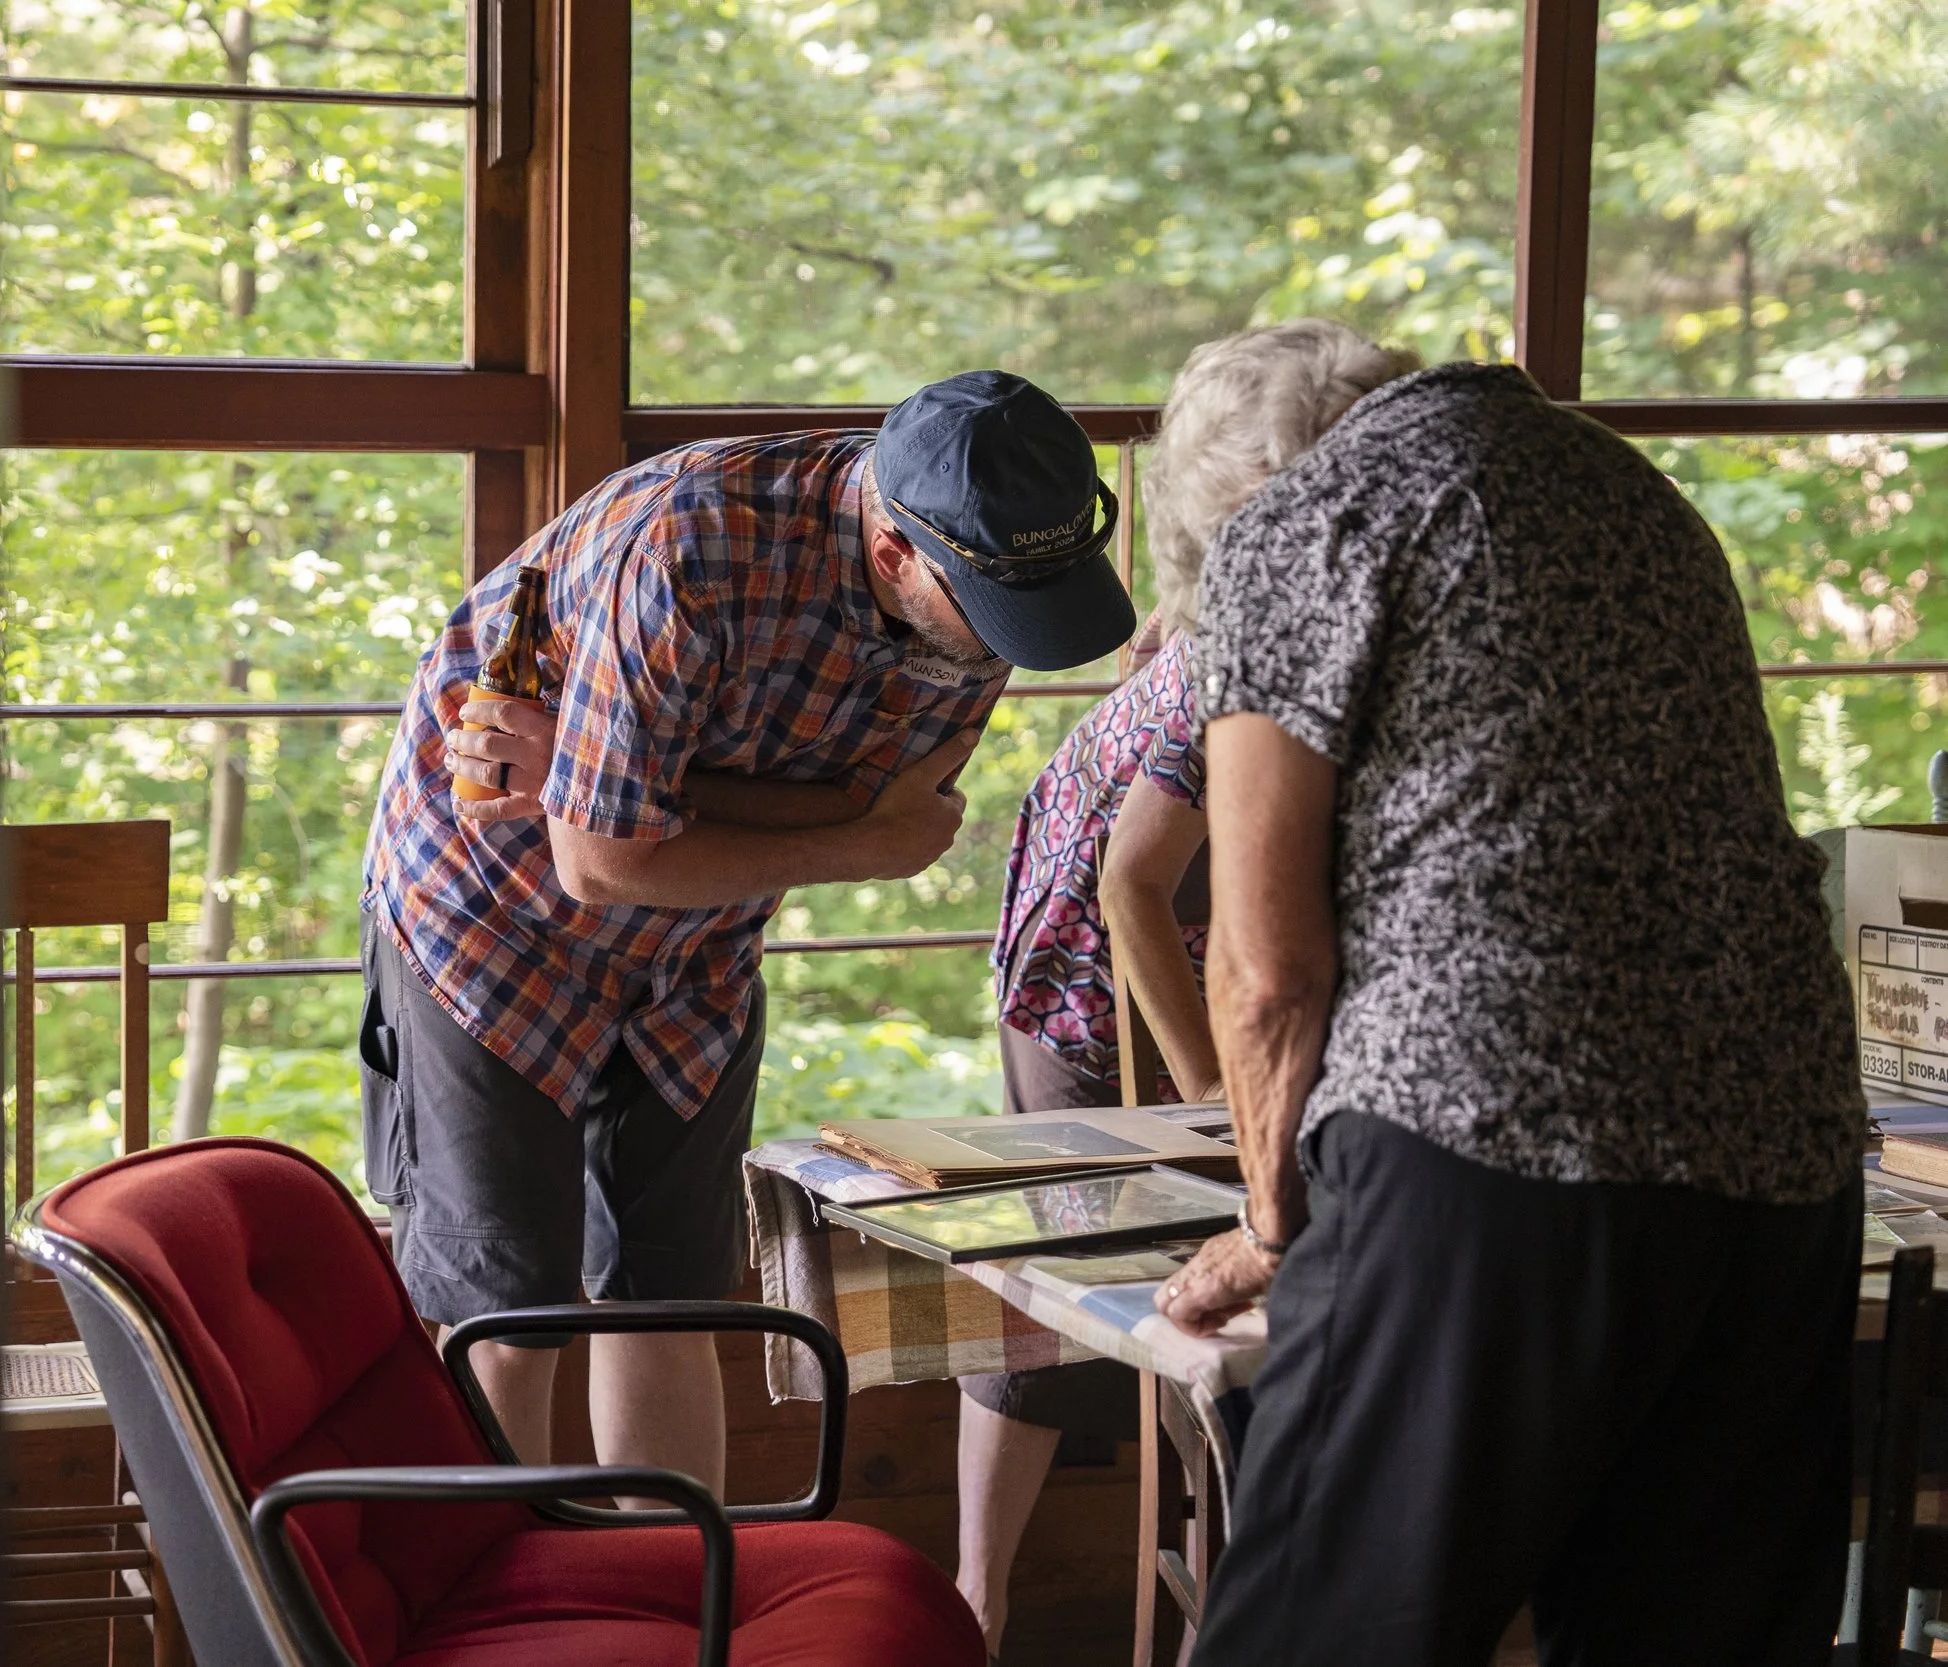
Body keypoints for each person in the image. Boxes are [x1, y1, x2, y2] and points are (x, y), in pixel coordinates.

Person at [1147, 320, 1864, 1664]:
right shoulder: (1632, 492)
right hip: (1783, 1150)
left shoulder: (1302, 518)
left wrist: (1271, 1223)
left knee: (1321, 1629)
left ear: (1240, 487)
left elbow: (1263, 966)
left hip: (1492, 1138)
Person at [360, 371, 1138, 1489]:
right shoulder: (690, 543)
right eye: (995, 610)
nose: (1010, 647)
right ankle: (498, 1617)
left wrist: (619, 780)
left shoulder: (993, 576)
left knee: (674, 1293)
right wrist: (840, 834)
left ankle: (678, 1606)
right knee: (509, 1304)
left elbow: (895, 805)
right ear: (893, 555)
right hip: (491, 917)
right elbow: (603, 859)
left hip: (698, 941)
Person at [955, 607, 1221, 1656]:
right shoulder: (1260, 641)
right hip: (1089, 942)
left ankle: (1220, 1587)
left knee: (1210, 1275)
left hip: (1215, 921)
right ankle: (977, 1601)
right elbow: (1126, 883)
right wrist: (1205, 1093)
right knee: (1057, 1263)